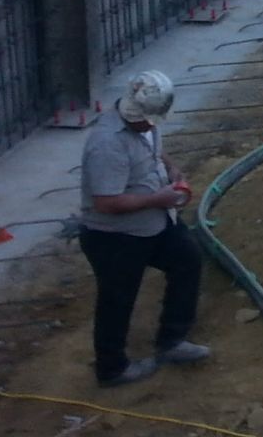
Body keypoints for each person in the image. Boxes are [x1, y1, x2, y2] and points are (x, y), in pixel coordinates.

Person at [77, 71, 210, 388]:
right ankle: (111, 369)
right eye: (149, 120)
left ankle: (172, 339)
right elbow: (106, 203)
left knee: (188, 260)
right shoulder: (107, 144)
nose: (153, 125)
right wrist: (157, 198)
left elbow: (153, 147)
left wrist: (170, 168)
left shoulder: (144, 125)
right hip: (115, 237)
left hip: (154, 224)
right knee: (117, 301)